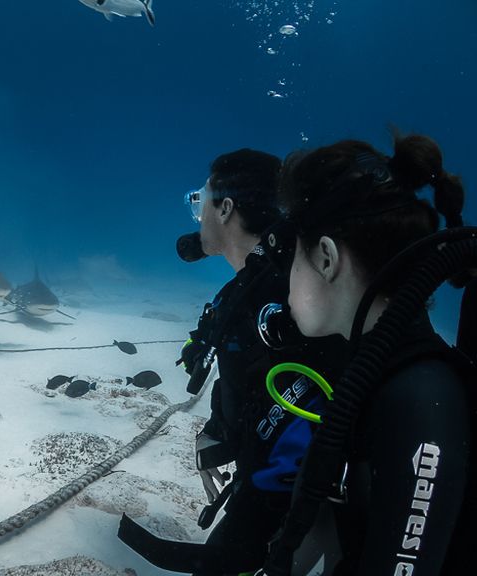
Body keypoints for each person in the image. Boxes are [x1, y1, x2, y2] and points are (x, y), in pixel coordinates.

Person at [119, 149, 347, 575]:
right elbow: (257, 386)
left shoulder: (280, 296)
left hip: (300, 502)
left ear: (225, 208)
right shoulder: (251, 290)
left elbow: (312, 405)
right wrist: (219, 432)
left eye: (199, 203)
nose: (197, 216)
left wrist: (250, 520)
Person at [260, 134, 472, 574]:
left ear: (325, 258)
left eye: (291, 257)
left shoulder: (418, 400)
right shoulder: (378, 364)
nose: (287, 278)